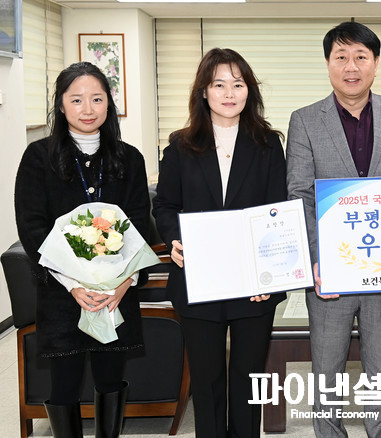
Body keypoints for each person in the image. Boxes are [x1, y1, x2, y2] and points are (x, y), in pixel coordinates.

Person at [286, 21, 381, 438]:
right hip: (330, 273)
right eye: (341, 57)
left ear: (376, 63)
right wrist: (315, 260)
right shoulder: (305, 120)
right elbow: (300, 195)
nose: (351, 66)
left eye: (361, 56)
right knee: (327, 373)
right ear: (328, 64)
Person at [151, 48, 287, 438]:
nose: (229, 93)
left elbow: (278, 212)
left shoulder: (268, 144)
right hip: (200, 278)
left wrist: (270, 274)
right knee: (207, 379)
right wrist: (175, 239)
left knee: (249, 378)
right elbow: (165, 205)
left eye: (238, 84)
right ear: (204, 91)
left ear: (249, 91)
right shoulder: (180, 145)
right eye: (219, 84)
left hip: (253, 282)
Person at [14, 62, 150, 437]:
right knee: (64, 383)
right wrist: (73, 283)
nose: (87, 109)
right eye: (76, 100)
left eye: (96, 99)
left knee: (110, 379)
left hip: (116, 293)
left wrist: (123, 283)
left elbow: (140, 223)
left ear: (109, 103)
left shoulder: (129, 158)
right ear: (61, 105)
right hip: (62, 293)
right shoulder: (38, 157)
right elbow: (32, 226)